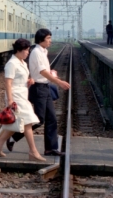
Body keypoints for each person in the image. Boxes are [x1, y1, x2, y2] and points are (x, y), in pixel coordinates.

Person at [6, 28, 70, 156]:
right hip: (39, 88)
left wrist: (52, 74)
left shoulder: (43, 52)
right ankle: (13, 137)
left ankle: (50, 148)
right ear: (41, 39)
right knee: (38, 119)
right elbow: (42, 72)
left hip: (45, 87)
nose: (50, 41)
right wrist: (59, 82)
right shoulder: (36, 52)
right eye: (48, 38)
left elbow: (44, 70)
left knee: (51, 118)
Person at [0, 39, 46, 161]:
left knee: (16, 123)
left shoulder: (22, 63)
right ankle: (33, 151)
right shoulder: (12, 64)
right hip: (15, 96)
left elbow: (19, 79)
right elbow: (8, 83)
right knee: (27, 122)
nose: (28, 52)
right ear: (19, 50)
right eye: (26, 50)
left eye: (28, 50)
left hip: (22, 94)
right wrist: (10, 100)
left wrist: (28, 81)